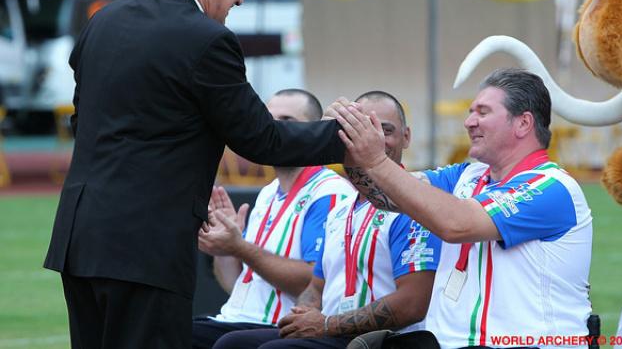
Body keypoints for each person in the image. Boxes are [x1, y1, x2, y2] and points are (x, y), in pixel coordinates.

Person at [42, 0, 346, 348]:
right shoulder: (207, 39)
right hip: (146, 245)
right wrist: (349, 137)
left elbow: (83, 120)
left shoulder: (105, 19)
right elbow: (262, 140)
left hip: (80, 236)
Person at [332, 69, 593, 349]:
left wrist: (374, 158)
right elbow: (385, 194)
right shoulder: (467, 175)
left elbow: (456, 224)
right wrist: (348, 149)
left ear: (523, 123)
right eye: (471, 112)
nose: (469, 122)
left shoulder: (552, 187)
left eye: (482, 112)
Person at [211, 90, 442, 349]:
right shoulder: (341, 209)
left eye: (385, 131)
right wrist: (301, 317)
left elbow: (412, 304)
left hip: (385, 339)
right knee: (232, 344)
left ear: (406, 137)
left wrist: (325, 325)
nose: (373, 140)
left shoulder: (414, 205)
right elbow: (315, 287)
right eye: (360, 130)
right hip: (332, 333)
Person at [192, 89, 356, 349]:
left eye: (287, 121)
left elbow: (312, 282)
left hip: (273, 326)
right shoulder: (268, 192)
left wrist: (241, 248)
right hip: (234, 318)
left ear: (313, 130)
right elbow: (239, 283)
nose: (275, 129)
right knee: (162, 325)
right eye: (269, 120)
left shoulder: (329, 191)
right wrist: (225, 249)